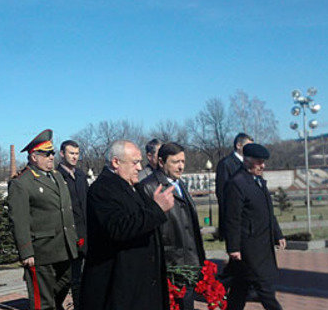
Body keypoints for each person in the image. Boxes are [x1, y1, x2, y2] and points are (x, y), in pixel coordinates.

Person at [81, 140, 175, 310]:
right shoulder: (102, 189)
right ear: (116, 162)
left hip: (140, 285)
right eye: (135, 162)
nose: (139, 168)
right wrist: (156, 209)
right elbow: (119, 228)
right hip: (118, 287)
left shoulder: (132, 186)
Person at [7, 129, 79, 310]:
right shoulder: (22, 183)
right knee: (42, 301)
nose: (51, 157)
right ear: (33, 157)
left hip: (64, 247)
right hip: (42, 250)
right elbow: (19, 219)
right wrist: (26, 252)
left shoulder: (57, 176)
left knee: (66, 281)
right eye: (46, 154)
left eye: (52, 153)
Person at [137, 142, 205, 310]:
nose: (181, 166)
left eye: (183, 161)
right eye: (175, 162)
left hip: (188, 262)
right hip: (171, 266)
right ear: (161, 162)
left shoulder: (179, 184)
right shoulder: (149, 187)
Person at [224, 143, 286, 310]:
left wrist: (277, 234)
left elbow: (268, 211)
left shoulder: (258, 181)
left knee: (239, 288)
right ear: (247, 160)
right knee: (264, 287)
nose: (263, 166)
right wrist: (233, 247)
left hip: (263, 244)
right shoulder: (237, 183)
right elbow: (232, 218)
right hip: (249, 247)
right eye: (259, 162)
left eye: (263, 162)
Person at [56, 140, 88, 310]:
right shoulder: (57, 176)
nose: (75, 157)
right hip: (69, 234)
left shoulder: (81, 176)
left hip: (85, 232)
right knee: (70, 277)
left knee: (83, 276)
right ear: (62, 154)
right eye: (71, 153)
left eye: (77, 153)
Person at [216, 133, 253, 240]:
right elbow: (222, 193)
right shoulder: (226, 164)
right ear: (239, 145)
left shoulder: (250, 164)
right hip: (234, 217)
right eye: (248, 145)